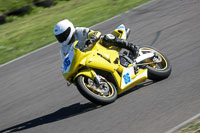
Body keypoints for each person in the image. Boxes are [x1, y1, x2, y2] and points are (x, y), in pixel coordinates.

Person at [53, 19, 139, 61]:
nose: (62, 38)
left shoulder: (79, 31)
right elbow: (67, 62)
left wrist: (91, 40)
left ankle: (132, 47)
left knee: (106, 38)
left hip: (99, 48)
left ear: (70, 29)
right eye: (59, 37)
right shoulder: (63, 50)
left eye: (63, 35)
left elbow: (95, 33)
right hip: (89, 59)